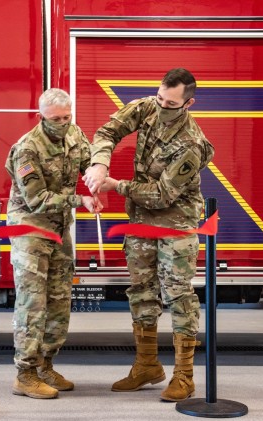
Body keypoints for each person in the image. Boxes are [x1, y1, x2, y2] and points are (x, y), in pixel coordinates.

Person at [82, 68, 214, 401]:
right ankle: (146, 365)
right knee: (141, 291)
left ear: (188, 103)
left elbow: (162, 195)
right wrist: (99, 163)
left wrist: (115, 185)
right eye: (159, 98)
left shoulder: (191, 143)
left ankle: (184, 376)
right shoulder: (146, 107)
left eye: (170, 103)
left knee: (178, 295)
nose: (162, 106)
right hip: (140, 221)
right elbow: (108, 130)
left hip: (175, 224)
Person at [5, 88, 102, 399]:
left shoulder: (74, 133)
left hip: (59, 231)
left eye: (67, 116)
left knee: (60, 300)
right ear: (40, 117)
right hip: (31, 232)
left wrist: (97, 174)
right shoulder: (27, 148)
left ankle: (46, 364)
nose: (63, 123)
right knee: (33, 304)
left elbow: (88, 159)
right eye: (55, 119)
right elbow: (36, 200)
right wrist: (80, 199)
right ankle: (25, 373)